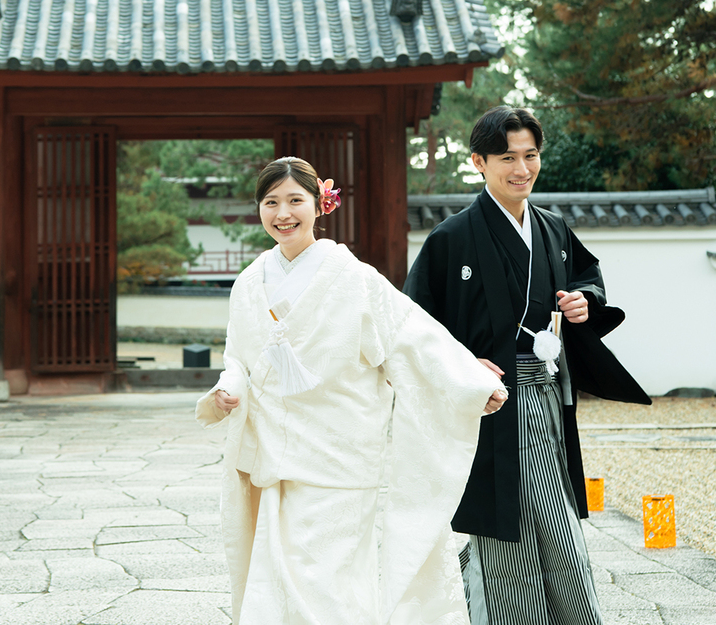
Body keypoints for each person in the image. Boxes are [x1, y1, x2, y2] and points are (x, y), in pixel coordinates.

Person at [197, 156, 507, 625]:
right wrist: (227, 388)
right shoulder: (249, 282)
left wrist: (466, 380)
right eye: (271, 202)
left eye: (295, 200)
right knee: (277, 574)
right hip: (273, 454)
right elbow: (239, 358)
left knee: (328, 578)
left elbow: (411, 338)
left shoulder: (354, 277)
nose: (283, 213)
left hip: (338, 453)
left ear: (320, 204)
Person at [404, 106, 650, 625]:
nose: (522, 169)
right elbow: (414, 325)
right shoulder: (452, 237)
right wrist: (463, 363)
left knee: (554, 517)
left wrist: (583, 301)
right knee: (503, 523)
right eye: (507, 158)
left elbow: (587, 279)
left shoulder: (552, 228)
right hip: (488, 402)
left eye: (530, 155)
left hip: (546, 393)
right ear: (479, 162)